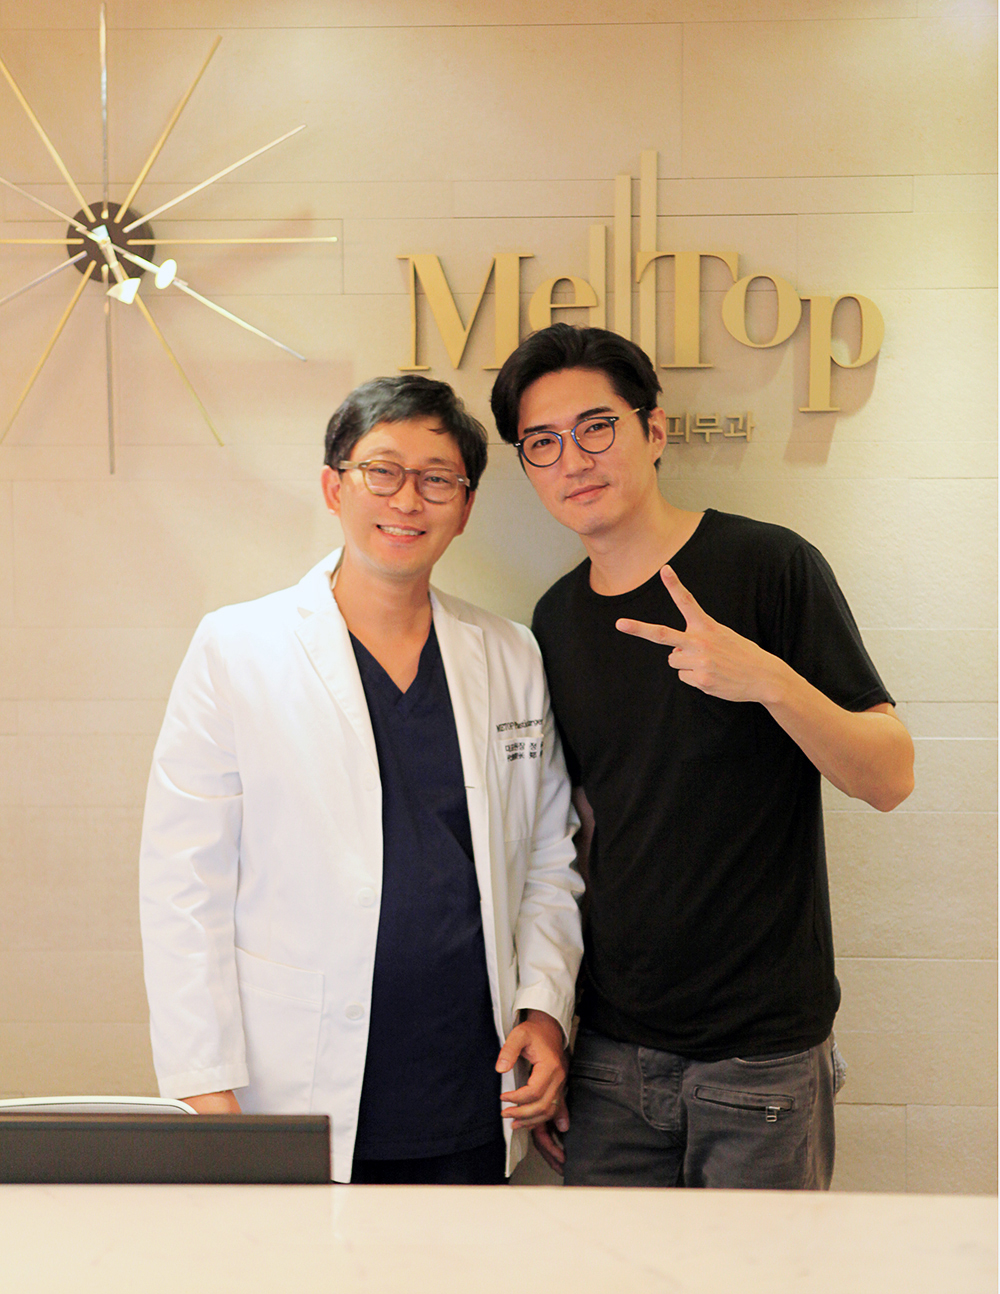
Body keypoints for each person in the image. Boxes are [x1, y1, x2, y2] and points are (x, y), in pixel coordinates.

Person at [490, 324, 914, 1189]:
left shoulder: (769, 565)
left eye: (597, 427)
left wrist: (769, 681)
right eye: (543, 442)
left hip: (763, 1060)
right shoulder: (555, 621)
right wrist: (561, 1024)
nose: (574, 459)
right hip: (611, 1057)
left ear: (654, 430)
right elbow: (573, 832)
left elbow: (890, 775)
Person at [140, 375, 584, 1185]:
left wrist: (545, 1009)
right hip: (293, 1082)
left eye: (437, 479)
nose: (407, 500)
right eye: (382, 471)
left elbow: (550, 859)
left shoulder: (510, 654)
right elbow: (183, 885)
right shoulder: (236, 649)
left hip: (472, 1078)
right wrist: (203, 1084)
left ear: (465, 506)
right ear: (332, 486)